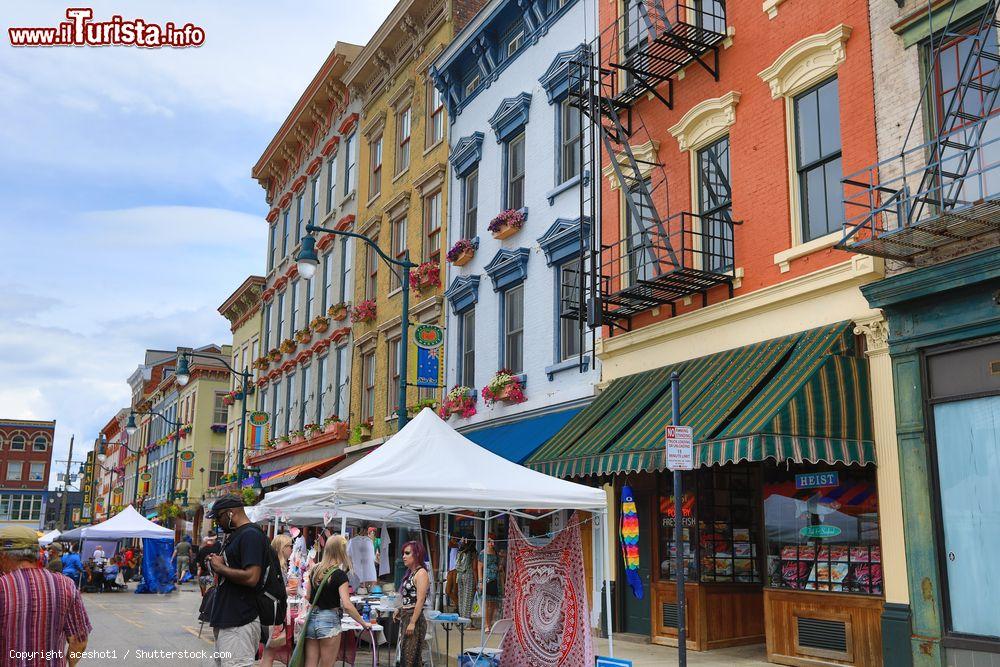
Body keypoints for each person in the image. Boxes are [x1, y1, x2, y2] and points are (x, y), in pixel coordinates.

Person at [0, 526, 91, 667]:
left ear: (3, 556)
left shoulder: (3, 586)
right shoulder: (66, 585)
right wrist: (70, 664)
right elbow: (79, 641)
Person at [206, 494, 271, 667]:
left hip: (240, 620)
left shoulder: (251, 535)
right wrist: (217, 564)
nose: (217, 523)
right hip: (229, 618)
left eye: (218, 517)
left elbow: (252, 577)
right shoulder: (237, 535)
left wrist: (221, 568)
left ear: (230, 513)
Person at [303, 535, 370, 667]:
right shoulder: (339, 575)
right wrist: (363, 623)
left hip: (312, 619)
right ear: (341, 551)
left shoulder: (314, 570)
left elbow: (308, 597)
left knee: (310, 664)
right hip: (329, 620)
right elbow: (347, 605)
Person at [260, 534, 295, 667]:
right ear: (282, 548)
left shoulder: (276, 565)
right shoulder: (277, 567)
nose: (292, 549)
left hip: (270, 611)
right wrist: (285, 591)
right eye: (290, 546)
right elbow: (275, 590)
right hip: (273, 612)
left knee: (267, 653)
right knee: (269, 654)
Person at [394, 541, 430, 667]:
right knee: (407, 656)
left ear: (417, 555)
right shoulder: (410, 573)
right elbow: (410, 597)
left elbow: (420, 600)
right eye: (403, 553)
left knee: (410, 658)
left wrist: (413, 622)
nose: (404, 556)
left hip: (414, 618)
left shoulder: (421, 573)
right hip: (407, 616)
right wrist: (400, 609)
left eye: (407, 553)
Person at [477, 534, 501, 629]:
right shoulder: (483, 553)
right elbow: (479, 567)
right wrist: (480, 581)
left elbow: (498, 565)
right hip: (486, 579)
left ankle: (490, 622)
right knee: (487, 603)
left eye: (493, 542)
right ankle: (487, 624)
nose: (492, 543)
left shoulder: (496, 553)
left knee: (493, 603)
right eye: (490, 541)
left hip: (495, 579)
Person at [455, 537, 478, 625]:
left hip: (459, 575)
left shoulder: (460, 551)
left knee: (461, 597)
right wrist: (477, 582)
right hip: (469, 574)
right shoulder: (473, 553)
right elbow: (474, 568)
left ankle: (460, 620)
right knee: (468, 599)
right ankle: (466, 623)